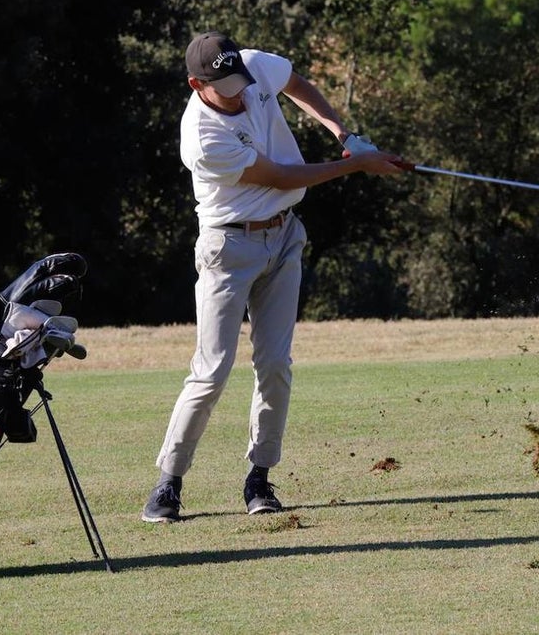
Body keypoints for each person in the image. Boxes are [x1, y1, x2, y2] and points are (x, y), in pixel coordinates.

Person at [141, 31, 405, 522]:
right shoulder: (202, 138)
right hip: (229, 246)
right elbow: (280, 176)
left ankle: (259, 478)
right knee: (212, 370)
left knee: (276, 365)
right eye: (225, 87)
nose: (239, 92)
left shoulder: (251, 66)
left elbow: (297, 84)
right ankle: (169, 482)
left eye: (239, 80)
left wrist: (344, 134)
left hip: (285, 238)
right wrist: (358, 167)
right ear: (197, 84)